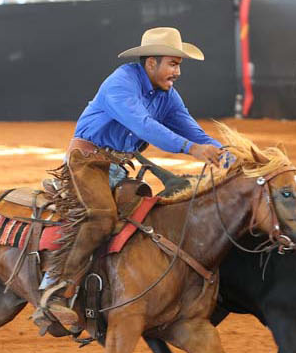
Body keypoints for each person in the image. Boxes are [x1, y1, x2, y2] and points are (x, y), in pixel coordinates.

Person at [34, 26, 231, 332]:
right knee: (100, 217)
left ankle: (110, 293)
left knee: (146, 223)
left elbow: (192, 129)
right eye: (173, 64)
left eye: (179, 65)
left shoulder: (167, 95)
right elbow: (144, 126)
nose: (178, 72)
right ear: (151, 63)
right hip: (86, 162)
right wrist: (192, 149)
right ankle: (54, 290)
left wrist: (229, 156)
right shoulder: (121, 83)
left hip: (117, 167)